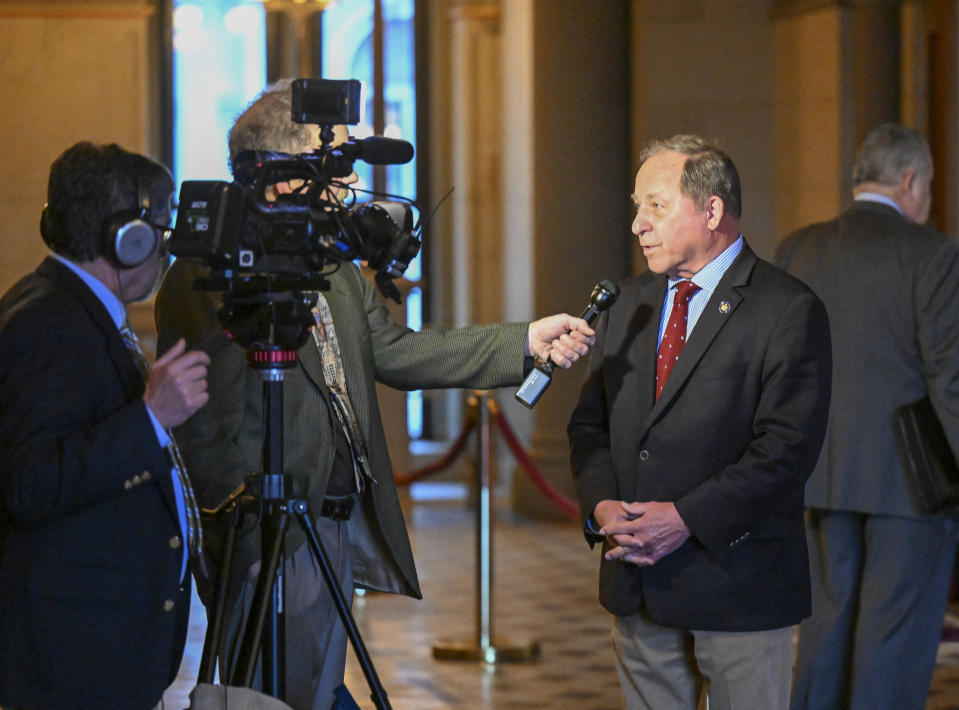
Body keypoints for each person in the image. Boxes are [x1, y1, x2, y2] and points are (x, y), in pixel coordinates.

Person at [154, 79, 596, 710]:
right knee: (272, 695)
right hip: (267, 531)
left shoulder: (330, 263)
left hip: (328, 520)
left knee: (317, 686)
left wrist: (525, 340)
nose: (344, 189)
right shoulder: (208, 267)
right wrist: (243, 544)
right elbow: (200, 420)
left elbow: (399, 351)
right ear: (282, 173)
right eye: (328, 170)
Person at [567, 134, 832, 710]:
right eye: (637, 207)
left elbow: (785, 450)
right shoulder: (627, 305)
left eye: (656, 206)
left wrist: (685, 519)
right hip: (637, 586)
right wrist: (601, 507)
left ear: (711, 209)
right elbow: (589, 427)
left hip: (739, 585)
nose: (639, 224)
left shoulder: (787, 309)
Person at [0, 142, 211, 709]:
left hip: (95, 644)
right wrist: (150, 418)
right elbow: (30, 484)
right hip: (75, 654)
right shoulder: (48, 323)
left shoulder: (70, 307)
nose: (166, 250)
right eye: (160, 233)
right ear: (127, 238)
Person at [776, 123, 959, 710]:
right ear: (910, 181)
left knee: (826, 632)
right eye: (927, 187)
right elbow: (949, 381)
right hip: (913, 483)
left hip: (820, 472)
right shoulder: (933, 253)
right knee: (894, 637)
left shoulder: (798, 248)